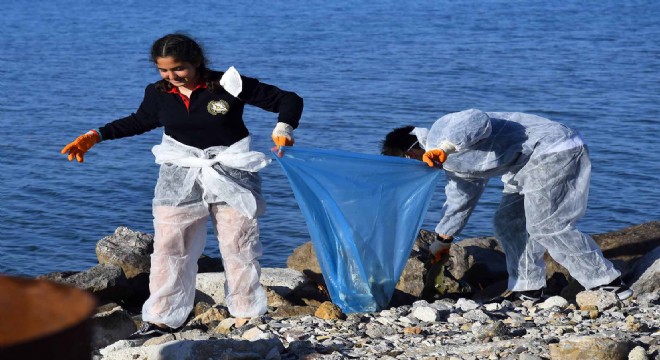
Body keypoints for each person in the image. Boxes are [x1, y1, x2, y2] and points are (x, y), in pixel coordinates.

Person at [61, 33, 303, 337]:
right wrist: (96, 135)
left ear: (196, 62)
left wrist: (284, 126)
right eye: (164, 70)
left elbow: (288, 99)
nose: (172, 76)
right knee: (169, 247)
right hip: (180, 173)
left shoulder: (229, 83)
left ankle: (246, 315)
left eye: (179, 69)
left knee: (239, 244)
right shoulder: (158, 93)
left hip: (231, 171)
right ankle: (162, 319)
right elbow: (139, 120)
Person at [381, 109, 632, 302]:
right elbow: (461, 197)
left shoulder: (440, 130)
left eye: (409, 161)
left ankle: (606, 283)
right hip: (524, 165)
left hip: (552, 148)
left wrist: (445, 147)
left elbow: (476, 120)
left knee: (546, 225)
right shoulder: (450, 165)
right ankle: (528, 288)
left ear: (411, 148)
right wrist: (444, 237)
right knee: (508, 223)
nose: (417, 167)